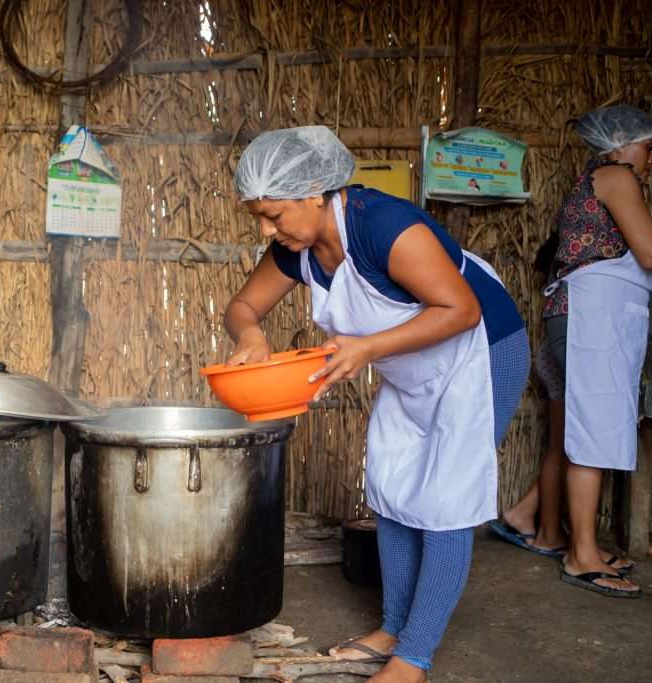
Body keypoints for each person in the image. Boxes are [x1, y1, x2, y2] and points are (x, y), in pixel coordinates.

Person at [223, 126, 529, 682]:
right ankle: (392, 629)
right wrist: (249, 334)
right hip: (411, 365)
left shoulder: (383, 226)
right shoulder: (300, 246)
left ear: (314, 191)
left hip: (479, 353)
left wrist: (366, 348)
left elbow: (460, 311)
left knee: (446, 503)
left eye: (274, 215)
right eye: (260, 218)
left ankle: (413, 658)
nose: (267, 230)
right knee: (390, 487)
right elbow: (243, 304)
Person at [490, 105, 652, 598]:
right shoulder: (615, 174)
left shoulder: (603, 181)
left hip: (593, 318)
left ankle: (579, 543)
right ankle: (580, 554)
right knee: (591, 432)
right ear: (622, 143)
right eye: (651, 147)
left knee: (589, 428)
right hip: (591, 318)